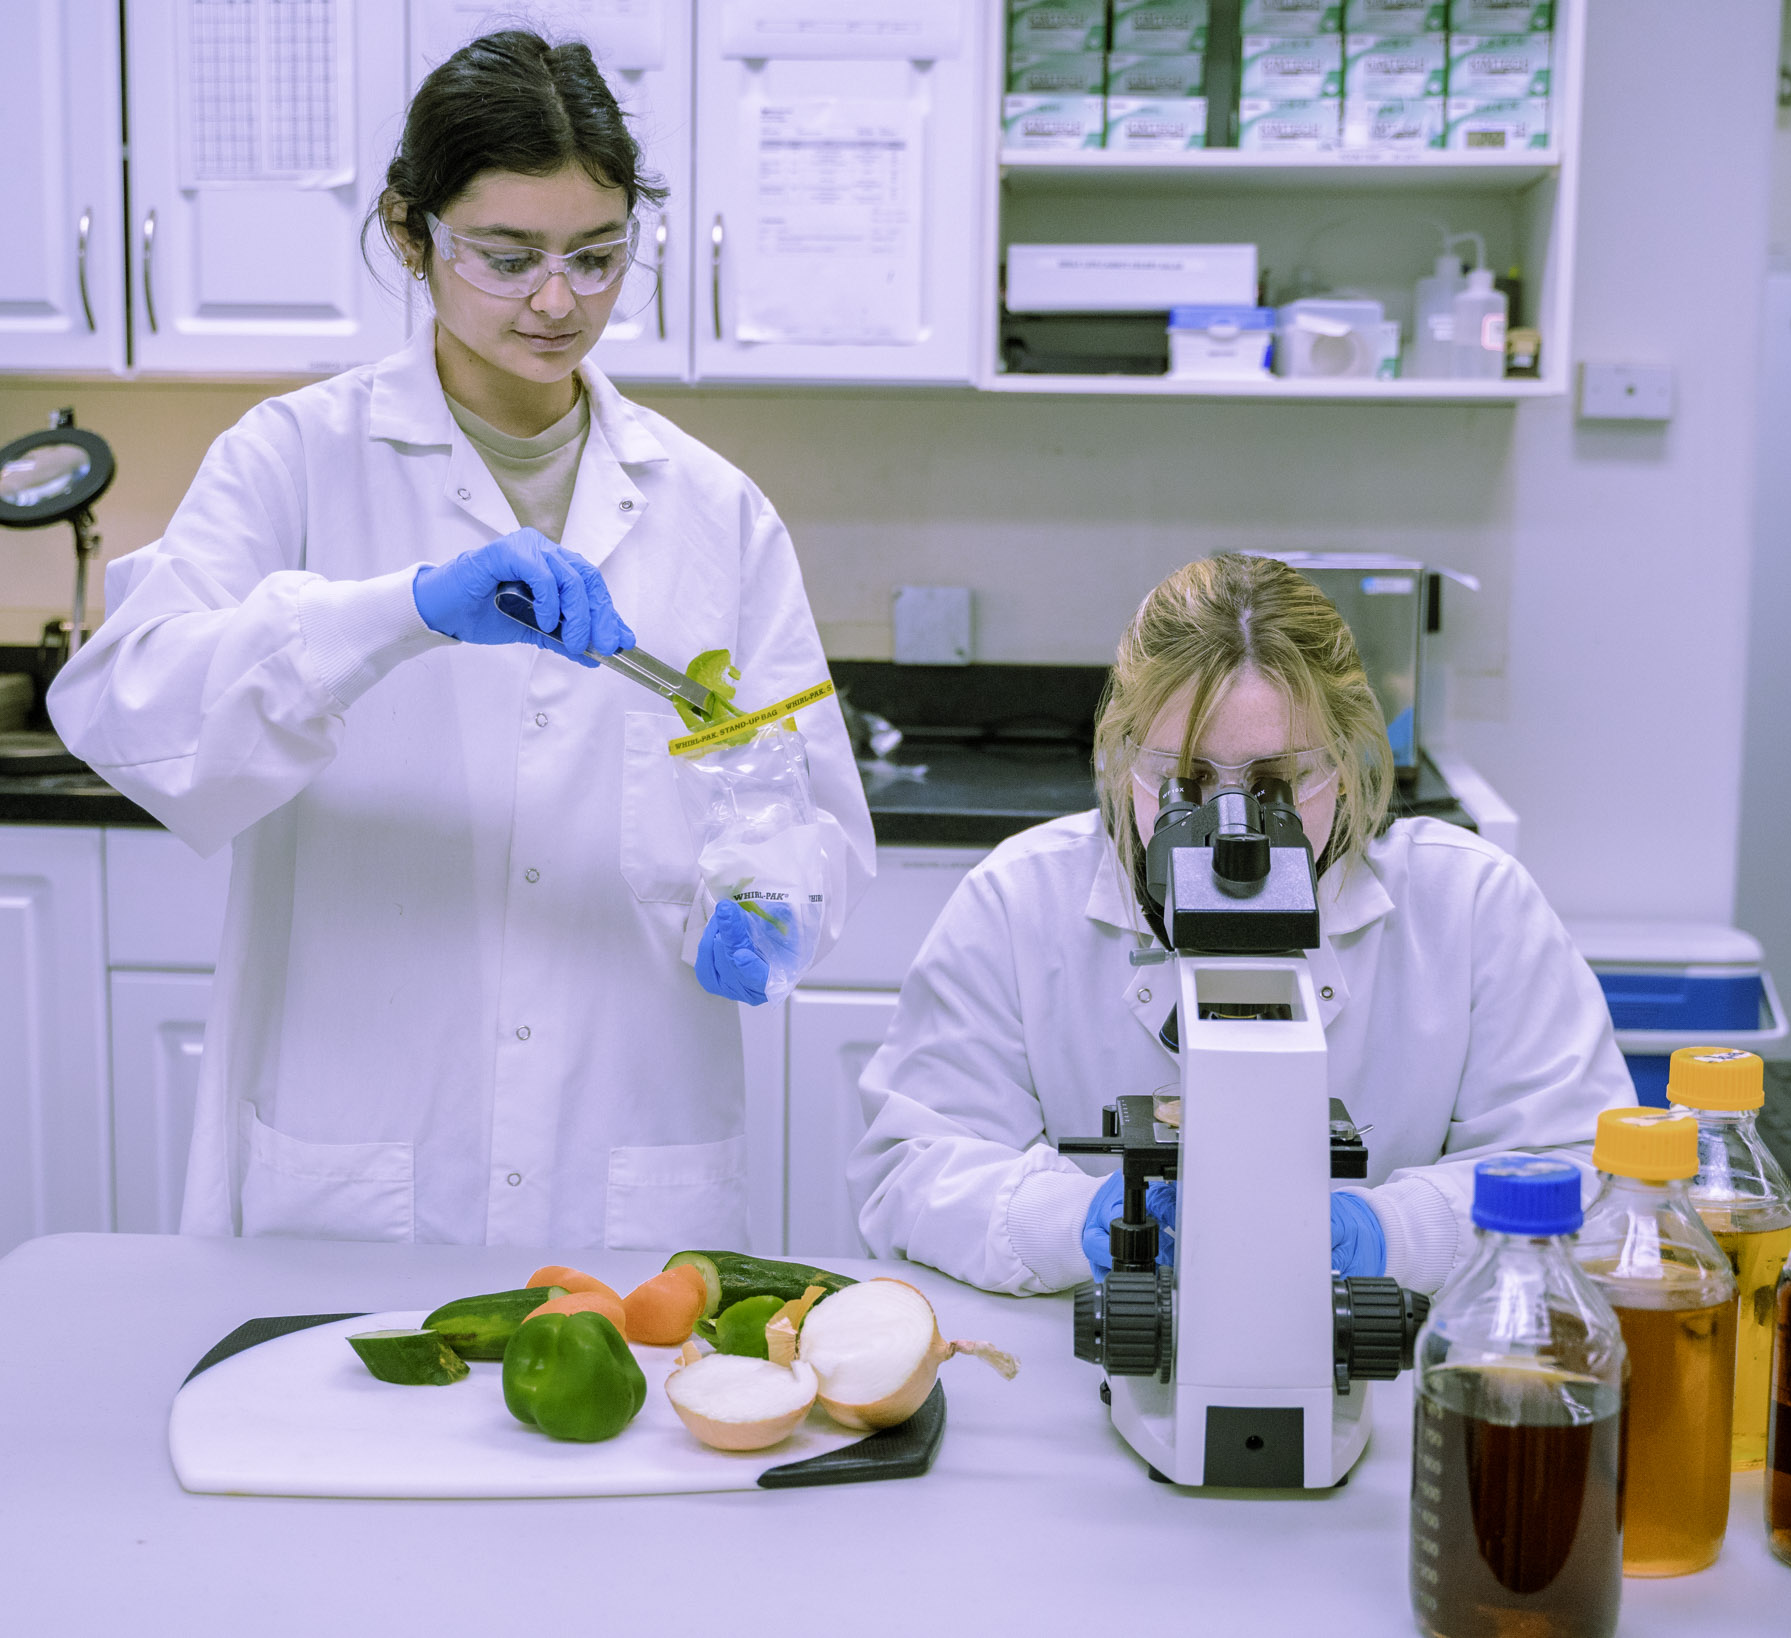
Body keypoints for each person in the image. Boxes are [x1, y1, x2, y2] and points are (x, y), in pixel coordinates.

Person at [49, 32, 872, 1249]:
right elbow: (127, 709)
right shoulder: (294, 461)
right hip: (364, 1139)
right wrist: (400, 612)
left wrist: (771, 900)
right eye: (508, 257)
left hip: (624, 1148)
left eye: (597, 259)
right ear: (408, 233)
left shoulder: (714, 511)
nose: (557, 302)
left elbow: (812, 812)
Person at [851, 554, 1631, 1296]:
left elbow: (1581, 1172)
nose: (1237, 833)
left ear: (1352, 756)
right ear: (1123, 759)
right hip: (1079, 1355)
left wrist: (1388, 1233)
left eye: (1278, 781)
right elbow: (914, 1167)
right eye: (1185, 783)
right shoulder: (1019, 902)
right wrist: (1090, 1224)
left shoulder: (1470, 904)